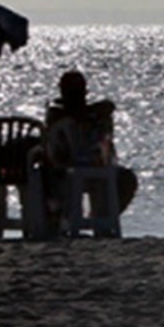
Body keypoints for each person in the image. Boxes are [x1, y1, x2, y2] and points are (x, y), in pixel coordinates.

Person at [44, 70, 138, 222]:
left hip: (81, 170)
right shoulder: (60, 115)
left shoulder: (92, 114)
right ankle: (82, 218)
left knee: (126, 179)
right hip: (70, 171)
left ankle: (99, 217)